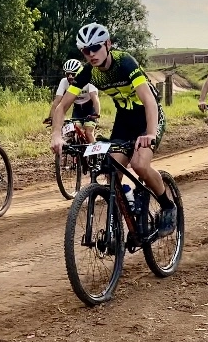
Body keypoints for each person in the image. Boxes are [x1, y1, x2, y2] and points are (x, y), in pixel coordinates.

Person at [49, 23, 177, 237]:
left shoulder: (124, 62)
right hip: (125, 120)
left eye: (95, 48)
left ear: (108, 44)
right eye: (85, 51)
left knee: (139, 164)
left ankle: (168, 206)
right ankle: (128, 208)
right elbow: (62, 106)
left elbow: (149, 101)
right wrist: (56, 134)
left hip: (147, 116)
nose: (91, 54)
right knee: (112, 170)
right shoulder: (88, 71)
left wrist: (151, 133)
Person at [44, 58, 100, 142]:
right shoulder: (64, 82)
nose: (70, 77)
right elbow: (57, 101)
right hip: (77, 109)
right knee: (74, 131)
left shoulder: (88, 80)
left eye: (73, 74)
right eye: (67, 74)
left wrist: (97, 114)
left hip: (90, 109)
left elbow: (95, 98)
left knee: (88, 133)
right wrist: (51, 117)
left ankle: (95, 154)